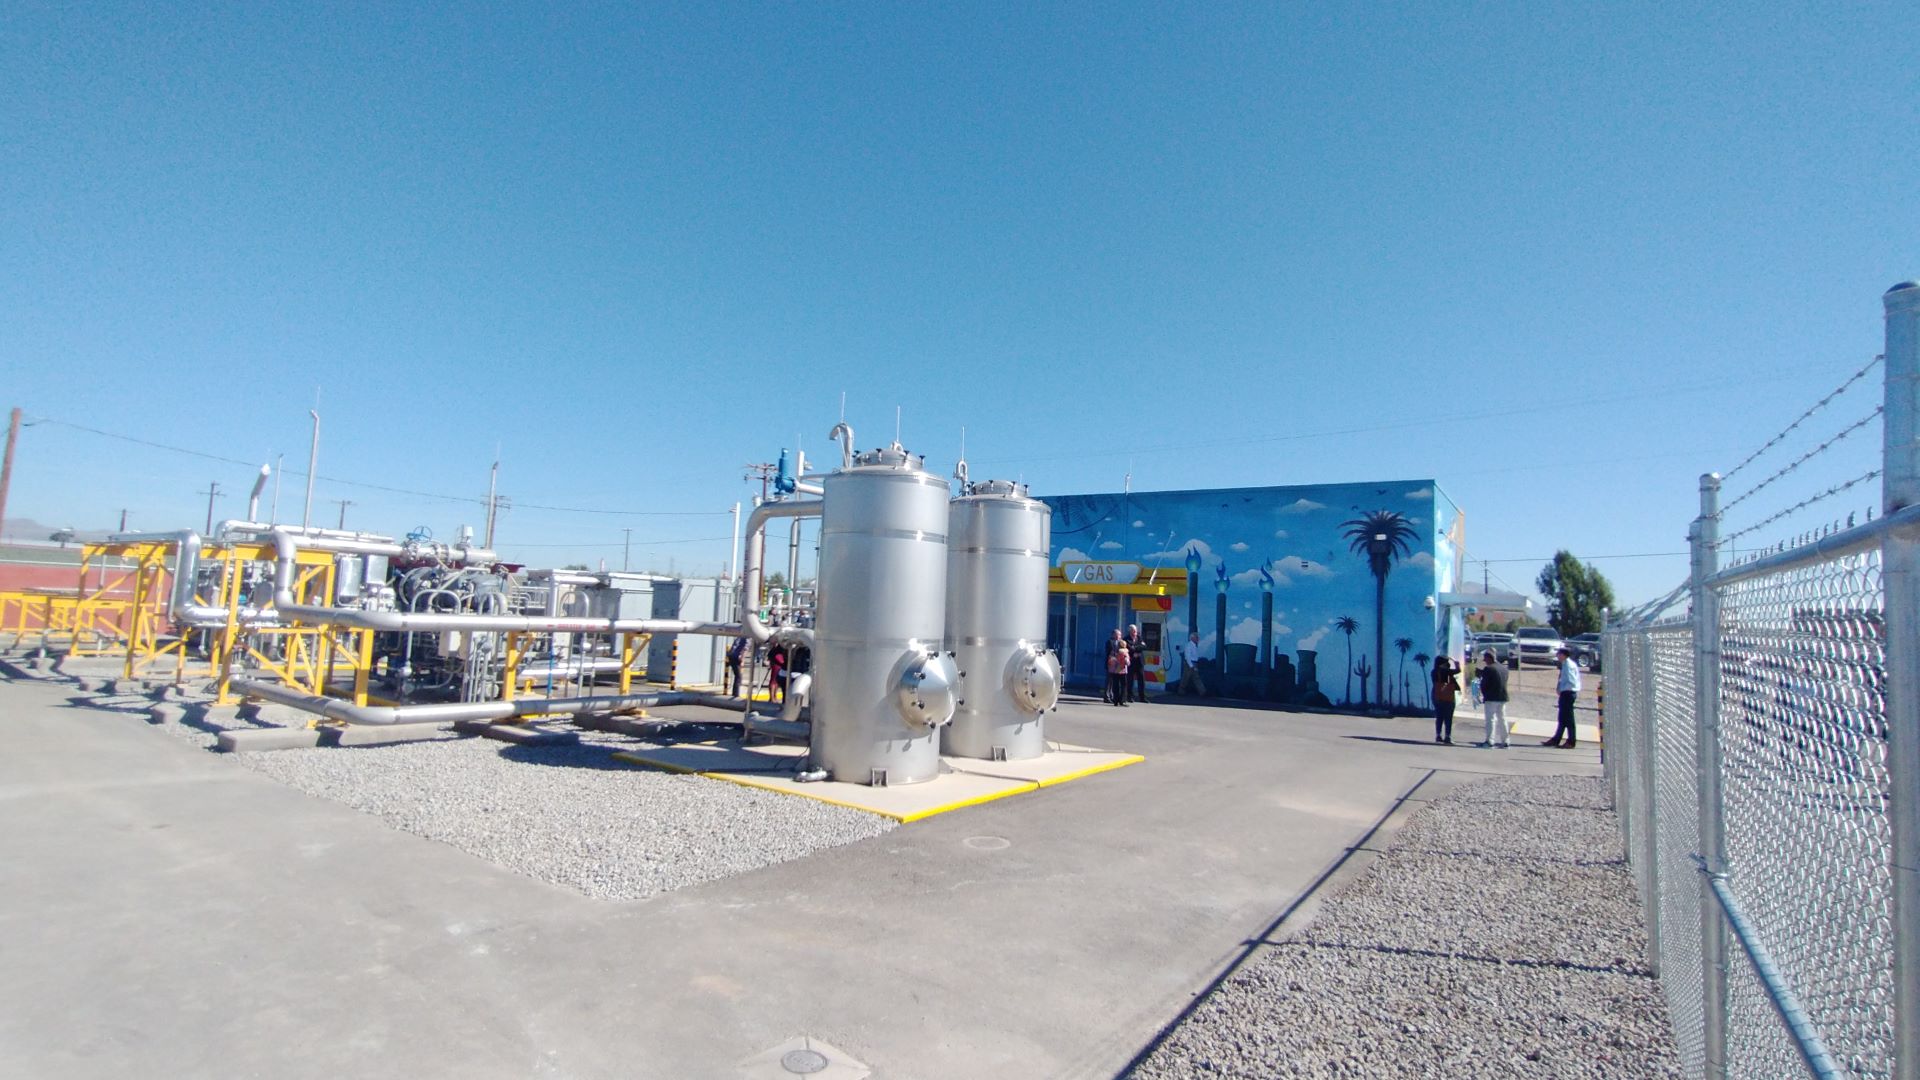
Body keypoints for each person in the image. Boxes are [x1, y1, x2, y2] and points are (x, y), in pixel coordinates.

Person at [1546, 646, 1581, 748]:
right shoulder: (1565, 664)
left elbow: (1571, 680)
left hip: (1568, 693)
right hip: (1565, 693)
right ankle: (1556, 739)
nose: (1557, 655)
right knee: (1562, 718)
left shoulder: (1568, 665)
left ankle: (1571, 741)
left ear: (1564, 655)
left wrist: (1564, 689)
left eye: (1559, 654)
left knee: (1569, 719)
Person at [1476, 649, 1509, 749]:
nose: (1485, 662)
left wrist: (1483, 694)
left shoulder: (1488, 669)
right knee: (1502, 719)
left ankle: (1490, 741)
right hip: (1502, 696)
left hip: (1491, 697)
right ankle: (1505, 741)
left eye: (1485, 659)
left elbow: (1484, 683)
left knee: (1490, 719)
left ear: (1489, 658)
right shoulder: (1504, 668)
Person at [1432, 656, 1459, 745]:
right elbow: (1458, 670)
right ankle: (1448, 736)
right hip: (1448, 696)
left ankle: (1438, 735)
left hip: (1437, 695)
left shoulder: (1434, 672)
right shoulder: (1447, 672)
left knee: (1439, 716)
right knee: (1448, 717)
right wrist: (1456, 662)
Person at [1126, 623, 1150, 703]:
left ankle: (1142, 697)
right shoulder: (1126, 639)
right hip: (1131, 662)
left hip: (1140, 662)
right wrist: (1135, 650)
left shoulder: (1139, 638)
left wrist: (1135, 648)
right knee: (1130, 680)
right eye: (1133, 631)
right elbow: (1130, 649)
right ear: (1130, 631)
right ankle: (1129, 697)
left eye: (1135, 631)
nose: (1135, 632)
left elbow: (1144, 646)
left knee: (1141, 680)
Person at [1106, 639, 1131, 707]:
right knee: (1124, 686)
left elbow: (1110, 660)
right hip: (1122, 670)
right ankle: (1122, 700)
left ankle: (1115, 701)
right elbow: (1128, 662)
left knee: (1115, 686)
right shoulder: (1125, 652)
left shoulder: (1113, 652)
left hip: (1115, 670)